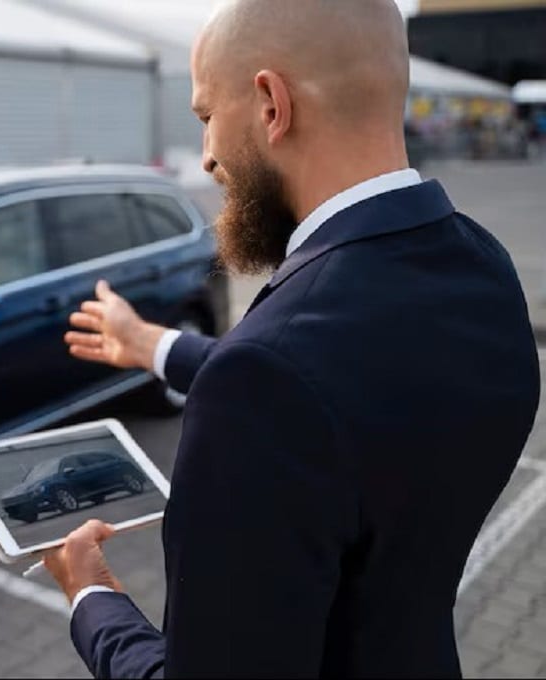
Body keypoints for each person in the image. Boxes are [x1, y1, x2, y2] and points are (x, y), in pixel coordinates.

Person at [44, 1, 540, 677]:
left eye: (205, 117)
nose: (209, 156)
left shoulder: (270, 377)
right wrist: (155, 345)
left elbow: (293, 388)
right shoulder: (484, 267)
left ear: (272, 105)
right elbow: (345, 396)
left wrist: (91, 597)